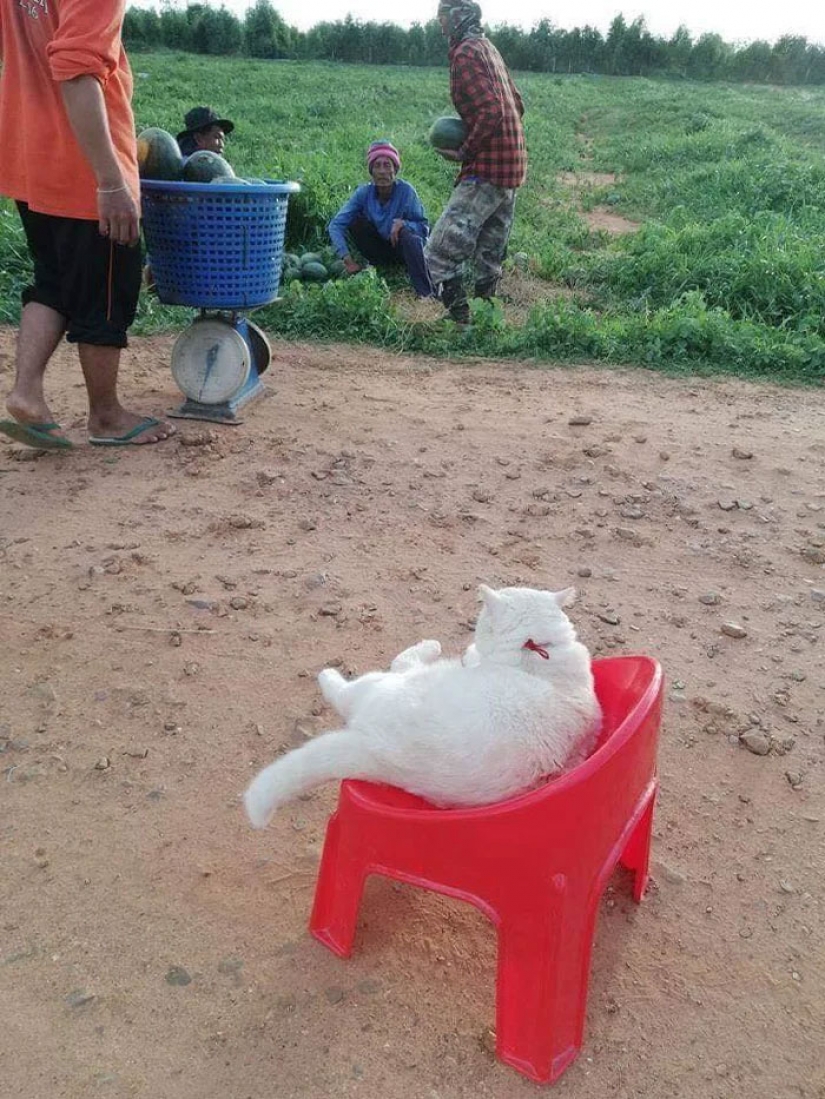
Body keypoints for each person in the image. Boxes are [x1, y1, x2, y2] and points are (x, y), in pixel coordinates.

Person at [0, 0, 174, 450]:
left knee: (53, 283)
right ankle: (107, 416)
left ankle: (26, 394)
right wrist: (111, 182)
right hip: (84, 172)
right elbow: (76, 72)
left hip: (31, 159)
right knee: (107, 290)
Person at [425, 0, 527, 325]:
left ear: (457, 17)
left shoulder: (465, 53)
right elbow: (517, 105)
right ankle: (486, 319)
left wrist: (467, 149)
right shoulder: (488, 47)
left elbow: (491, 110)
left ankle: (461, 321)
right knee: (489, 253)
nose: (440, 24)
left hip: (486, 168)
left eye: (442, 17)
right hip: (511, 166)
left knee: (437, 254)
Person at [328, 141, 435, 299]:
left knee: (408, 234)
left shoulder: (406, 192)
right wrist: (346, 258)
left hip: (402, 251)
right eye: (377, 166)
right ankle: (377, 265)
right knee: (356, 221)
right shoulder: (364, 193)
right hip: (377, 250)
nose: (382, 171)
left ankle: (426, 294)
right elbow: (336, 225)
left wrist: (403, 224)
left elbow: (424, 227)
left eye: (387, 165)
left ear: (395, 169)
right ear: (371, 171)